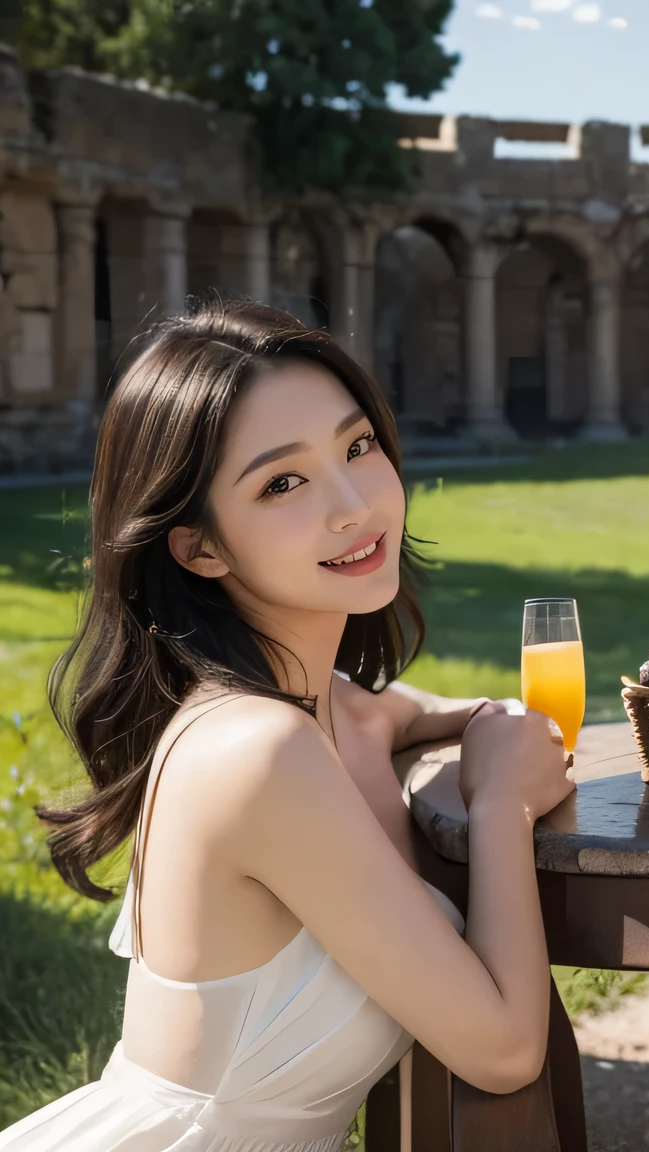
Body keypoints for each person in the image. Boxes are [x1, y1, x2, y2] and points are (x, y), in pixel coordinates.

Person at [0, 300, 574, 1151]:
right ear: (199, 548)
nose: (353, 505)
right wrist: (500, 807)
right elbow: (504, 1048)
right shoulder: (257, 752)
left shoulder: (329, 706)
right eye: (282, 482)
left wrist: (468, 717)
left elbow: (388, 711)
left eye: (357, 446)